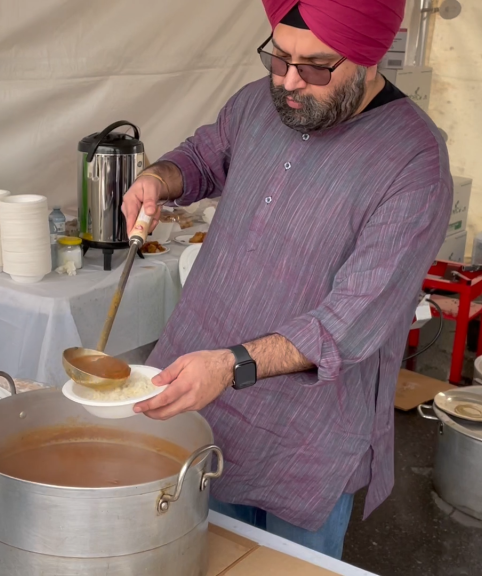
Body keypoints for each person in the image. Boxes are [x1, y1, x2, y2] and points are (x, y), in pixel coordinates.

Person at [122, 0, 453, 559]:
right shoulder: (258, 102)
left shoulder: (414, 164)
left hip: (305, 433)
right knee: (191, 553)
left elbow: (350, 321)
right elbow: (205, 155)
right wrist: (160, 177)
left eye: (316, 67)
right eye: (279, 58)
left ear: (370, 60)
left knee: (284, 567)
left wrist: (230, 364)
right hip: (202, 398)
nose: (290, 82)